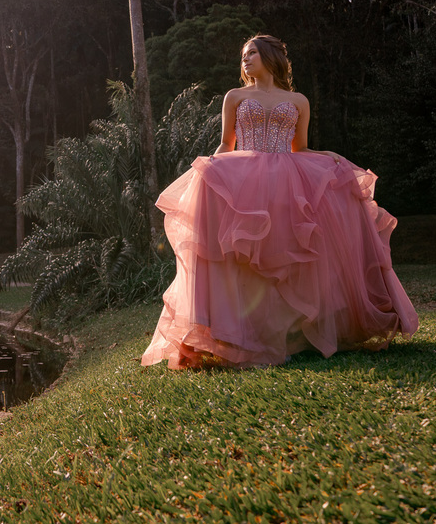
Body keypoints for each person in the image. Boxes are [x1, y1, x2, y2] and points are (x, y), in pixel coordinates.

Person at [141, 34, 418, 369]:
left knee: (285, 260)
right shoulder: (235, 96)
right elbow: (226, 146)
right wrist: (206, 174)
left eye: (252, 53)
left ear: (270, 57)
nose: (245, 59)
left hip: (287, 180)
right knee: (246, 262)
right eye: (243, 55)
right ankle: (237, 335)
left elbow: (299, 148)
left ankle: (291, 335)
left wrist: (330, 156)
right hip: (244, 178)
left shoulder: (298, 100)